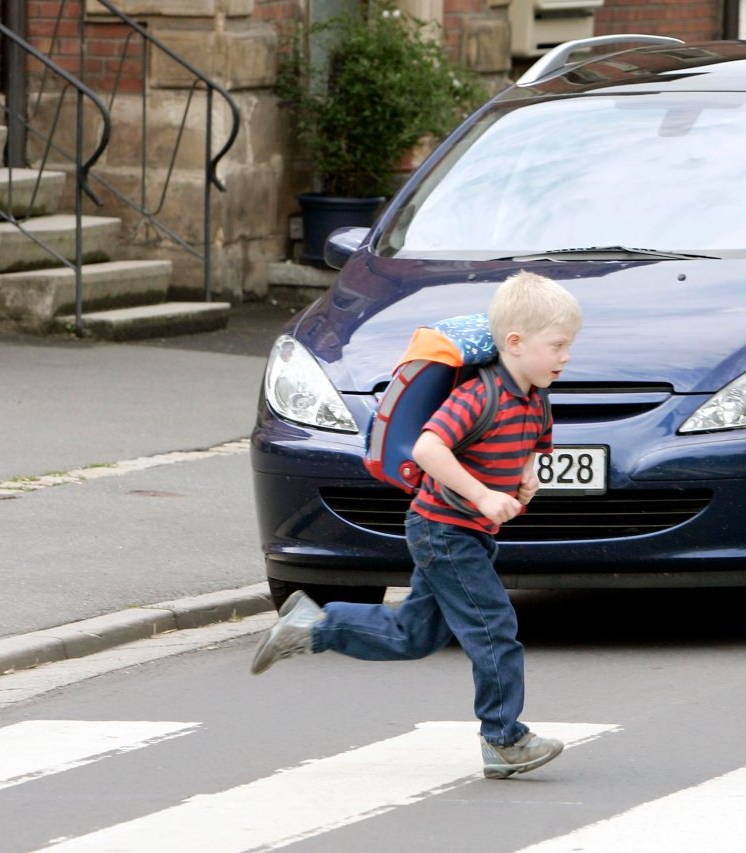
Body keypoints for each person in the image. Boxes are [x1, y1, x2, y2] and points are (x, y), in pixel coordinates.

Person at [250, 271, 583, 780]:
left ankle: (314, 627)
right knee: (495, 627)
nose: (565, 357)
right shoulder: (478, 395)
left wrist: (526, 479)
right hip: (443, 529)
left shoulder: (535, 398)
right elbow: (429, 448)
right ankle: (504, 738)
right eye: (558, 345)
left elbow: (532, 447)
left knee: (414, 635)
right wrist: (481, 494)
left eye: (568, 346)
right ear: (514, 343)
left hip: (466, 532)